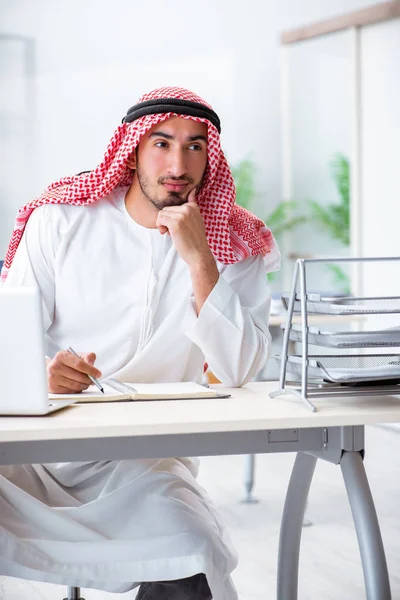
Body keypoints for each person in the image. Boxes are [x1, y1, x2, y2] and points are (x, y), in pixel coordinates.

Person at [0, 87, 280, 599]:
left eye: (195, 146)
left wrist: (199, 259)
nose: (178, 163)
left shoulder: (232, 242)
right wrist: (41, 372)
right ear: (131, 151)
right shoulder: (61, 221)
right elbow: (4, 343)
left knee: (192, 549)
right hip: (32, 457)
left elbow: (241, 369)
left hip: (144, 466)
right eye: (162, 142)